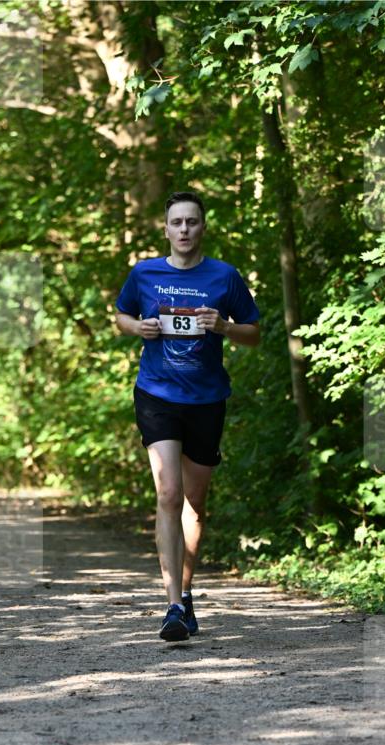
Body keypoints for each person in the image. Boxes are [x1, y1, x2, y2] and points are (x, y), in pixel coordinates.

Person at [115, 191, 260, 641]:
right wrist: (138, 327)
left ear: (202, 228)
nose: (183, 230)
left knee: (195, 505)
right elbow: (121, 315)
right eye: (176, 222)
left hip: (206, 399)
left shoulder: (224, 276)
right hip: (156, 394)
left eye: (191, 222)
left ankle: (188, 591)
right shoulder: (145, 273)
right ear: (165, 228)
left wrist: (225, 328)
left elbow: (254, 333)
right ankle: (172, 605)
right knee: (169, 493)